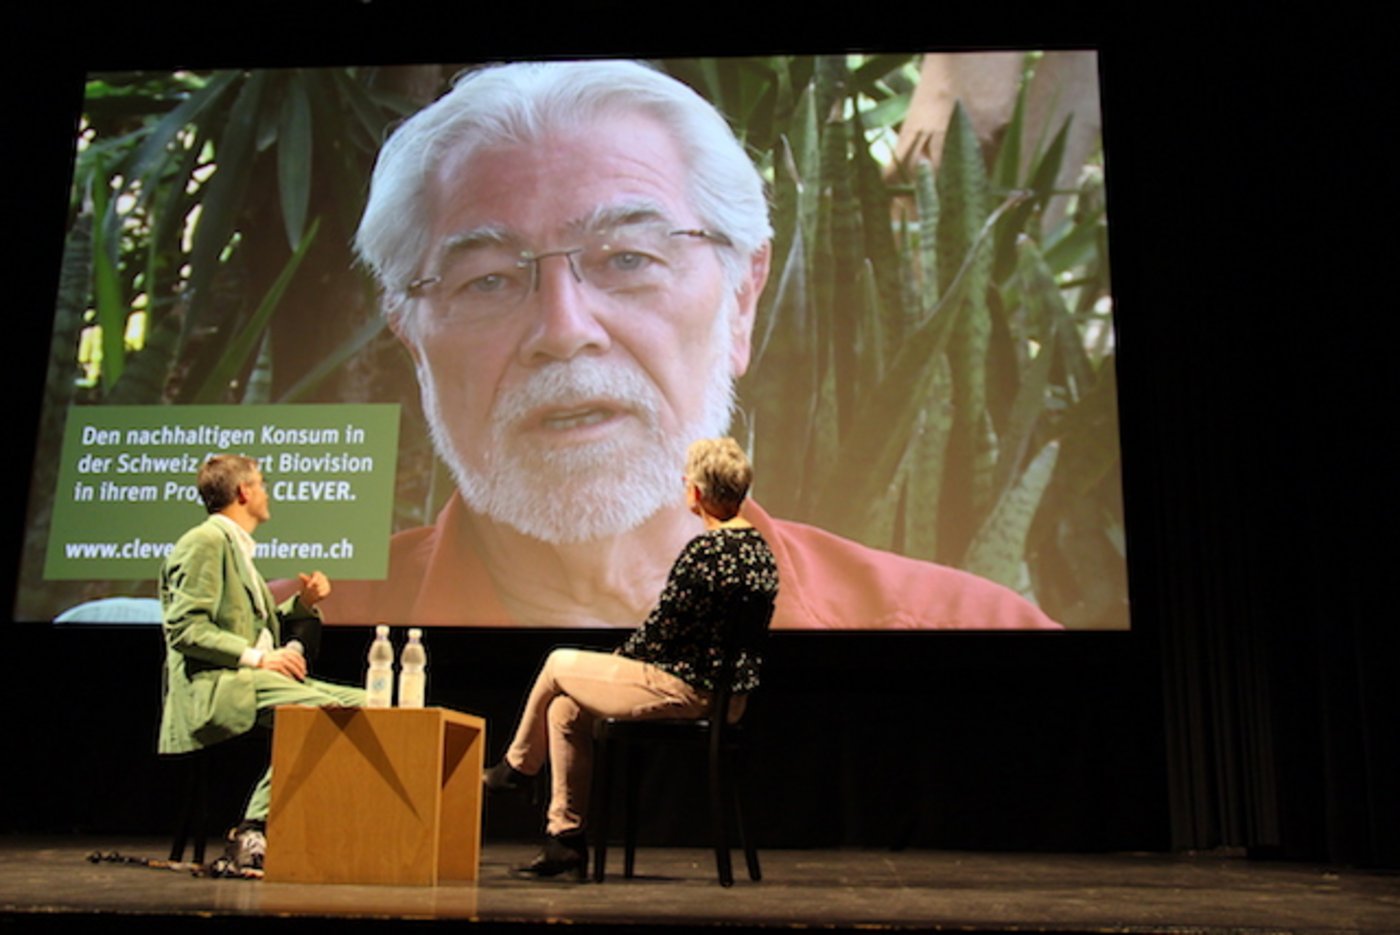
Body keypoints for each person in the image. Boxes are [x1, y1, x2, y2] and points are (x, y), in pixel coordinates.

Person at [317, 58, 1059, 631]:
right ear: (411, 338)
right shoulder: (283, 644)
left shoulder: (963, 633)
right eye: (485, 281)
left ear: (742, 298)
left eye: (627, 260)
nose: (564, 330)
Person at [484, 438, 779, 878]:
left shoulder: (706, 553)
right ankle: (564, 840)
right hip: (727, 698)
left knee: (559, 663)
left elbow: (663, 628)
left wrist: (625, 657)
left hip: (684, 689)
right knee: (565, 709)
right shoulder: (760, 553)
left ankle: (517, 767)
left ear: (695, 492)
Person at [158, 454, 365, 874]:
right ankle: (251, 828)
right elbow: (184, 627)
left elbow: (251, 626)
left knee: (373, 703)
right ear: (243, 492)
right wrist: (261, 658)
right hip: (221, 684)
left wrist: (303, 605)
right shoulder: (206, 542)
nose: (267, 492)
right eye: (262, 483)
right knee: (324, 715)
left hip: (251, 676)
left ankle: (339, 831)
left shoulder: (237, 549)